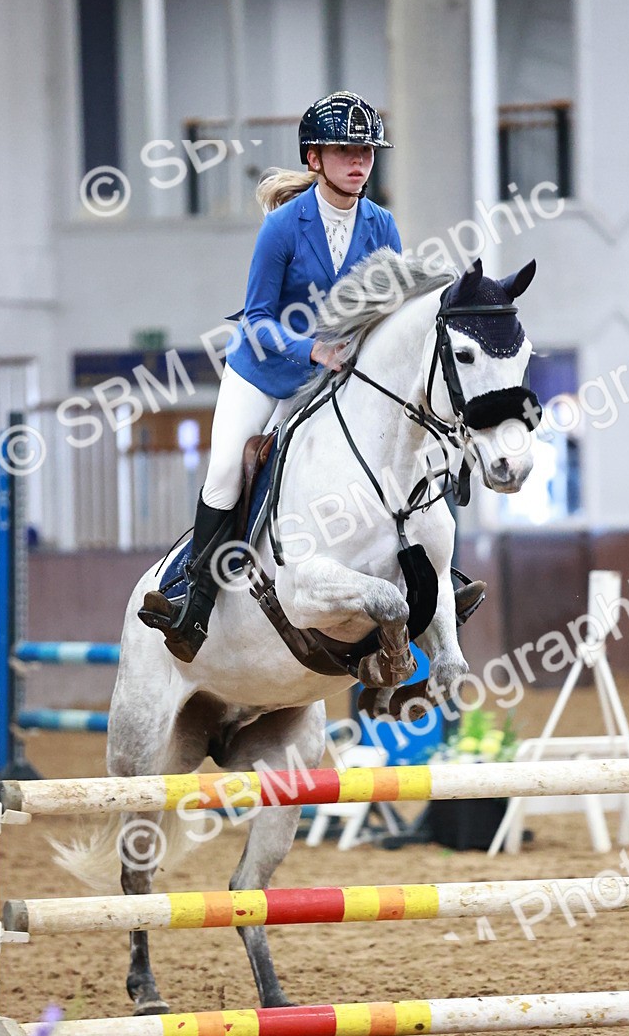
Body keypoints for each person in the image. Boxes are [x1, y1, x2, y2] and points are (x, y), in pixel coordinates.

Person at [140, 90, 484, 663]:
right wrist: (312, 349)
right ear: (313, 159)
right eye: (346, 151)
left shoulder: (381, 225)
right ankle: (191, 601)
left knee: (395, 453)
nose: (359, 162)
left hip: (337, 374)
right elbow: (255, 318)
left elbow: (392, 313)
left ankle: (439, 576)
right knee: (229, 468)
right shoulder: (282, 227)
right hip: (265, 371)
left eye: (367, 152)